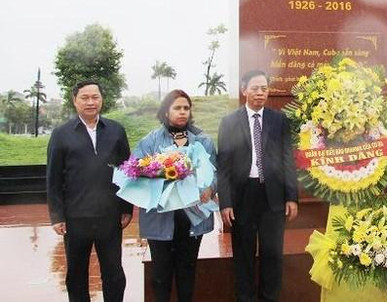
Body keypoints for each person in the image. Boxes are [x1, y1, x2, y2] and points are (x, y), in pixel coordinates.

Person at [46, 80, 133, 302]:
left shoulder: (116, 130)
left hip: (109, 215)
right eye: (84, 98)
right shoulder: (61, 134)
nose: (90, 102)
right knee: (76, 275)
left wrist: (126, 208)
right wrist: (57, 216)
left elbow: (127, 170)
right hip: (75, 217)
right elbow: (53, 178)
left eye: (95, 97)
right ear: (75, 101)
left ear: (102, 99)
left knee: (114, 273)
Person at [217, 70, 299, 302]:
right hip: (242, 197)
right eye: (255, 88)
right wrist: (225, 202)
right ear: (244, 90)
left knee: (272, 255)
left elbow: (287, 159)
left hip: (273, 196)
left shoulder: (279, 120)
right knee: (243, 256)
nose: (260, 93)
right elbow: (223, 166)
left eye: (264, 88)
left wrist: (291, 196)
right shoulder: (229, 122)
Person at [134, 89, 217, 302]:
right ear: (166, 112)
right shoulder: (150, 141)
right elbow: (135, 172)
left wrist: (210, 188)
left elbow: (216, 172)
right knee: (161, 274)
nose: (182, 112)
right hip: (160, 217)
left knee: (187, 269)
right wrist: (159, 174)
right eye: (177, 108)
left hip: (192, 217)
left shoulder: (202, 140)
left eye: (186, 108)